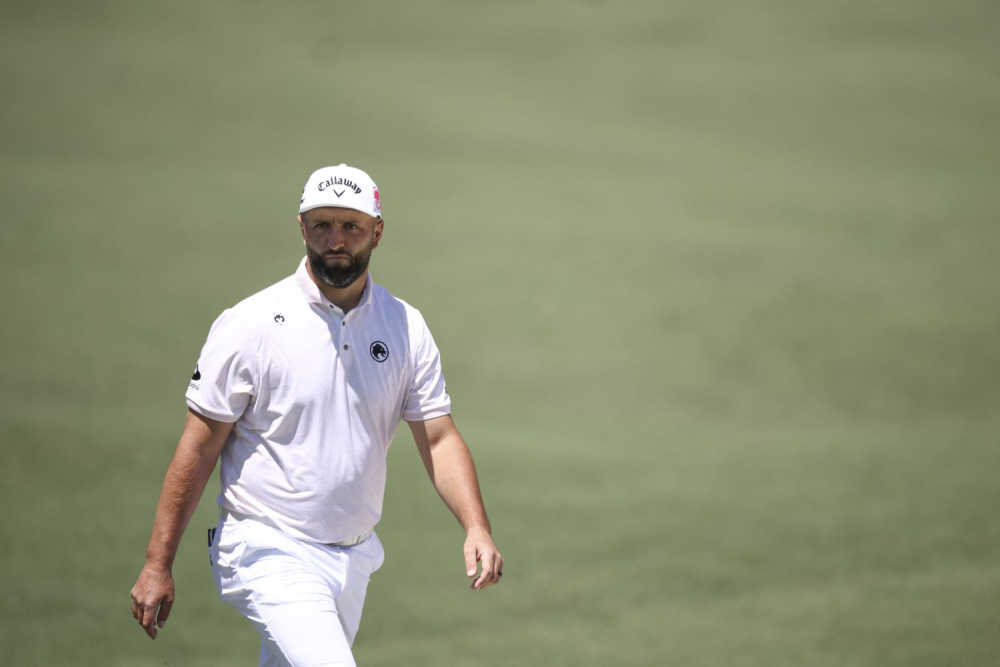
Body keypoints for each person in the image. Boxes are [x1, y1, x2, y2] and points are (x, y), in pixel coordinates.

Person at [130, 164, 504, 666]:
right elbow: (198, 446)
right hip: (267, 545)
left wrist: (476, 527)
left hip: (354, 555)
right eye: (322, 224)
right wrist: (158, 563)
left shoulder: (404, 327)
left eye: (351, 226)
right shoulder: (251, 325)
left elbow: (438, 438)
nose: (336, 239)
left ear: (377, 231)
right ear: (302, 227)